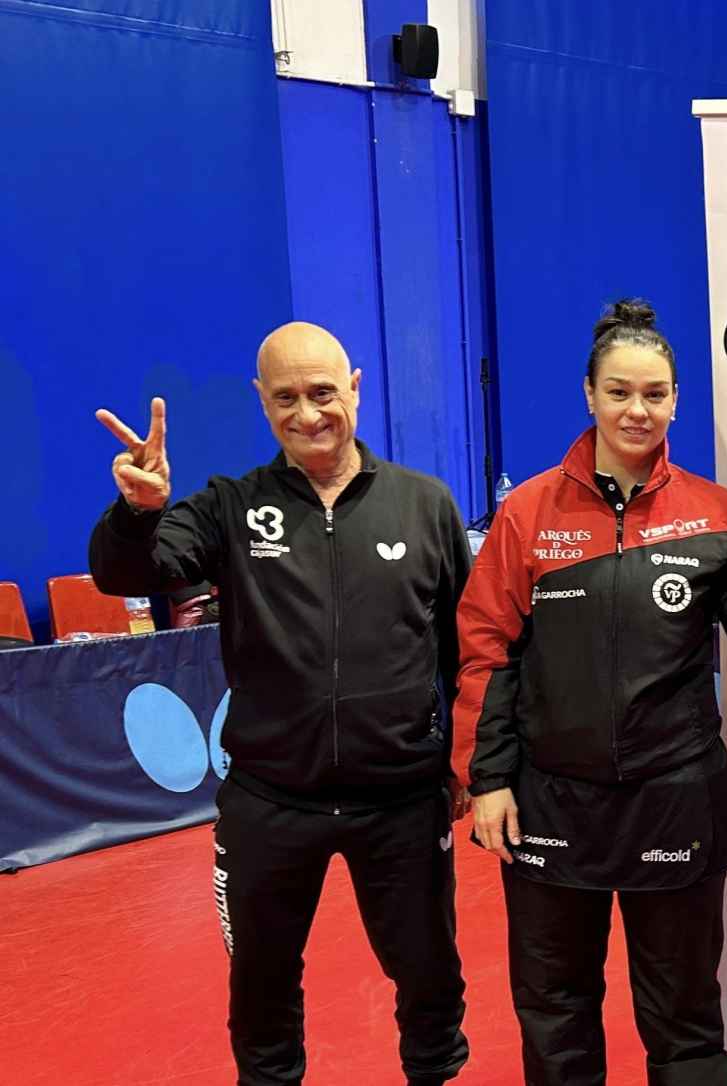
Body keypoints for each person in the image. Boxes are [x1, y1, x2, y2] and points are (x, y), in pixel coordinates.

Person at [89, 321, 473, 1086]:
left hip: (400, 800)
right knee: (262, 991)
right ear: (261, 402)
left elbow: (463, 647)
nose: (308, 414)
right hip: (270, 801)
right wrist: (139, 511)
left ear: (355, 388)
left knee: (430, 982)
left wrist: (468, 758)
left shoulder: (424, 505)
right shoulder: (229, 507)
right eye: (287, 398)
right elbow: (129, 574)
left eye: (323, 393)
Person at [455, 299, 727, 1086]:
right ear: (588, 393)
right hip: (552, 805)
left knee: (684, 1021)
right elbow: (486, 651)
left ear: (677, 401)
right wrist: (487, 780)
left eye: (654, 394)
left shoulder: (721, 516)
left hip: (675, 799)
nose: (636, 409)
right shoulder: (526, 515)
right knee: (555, 1013)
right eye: (619, 391)